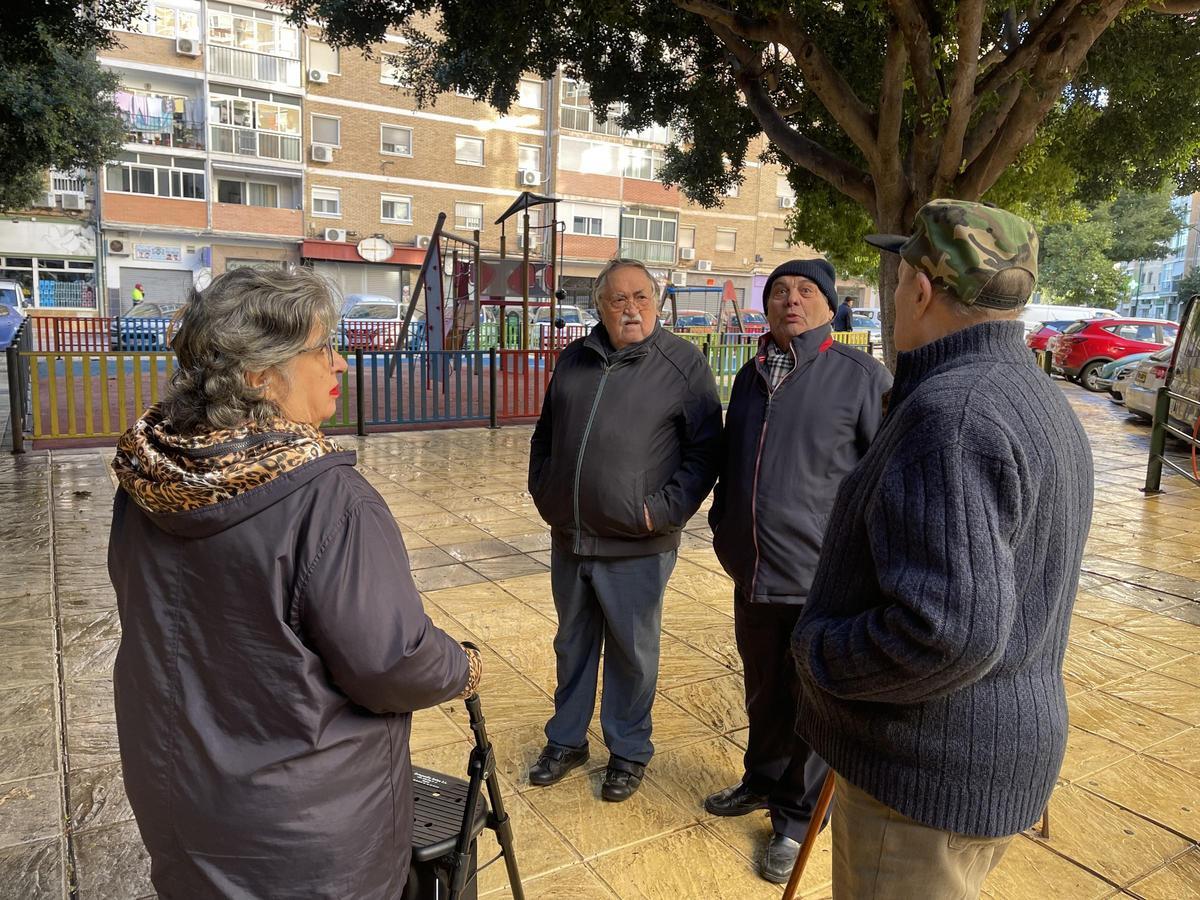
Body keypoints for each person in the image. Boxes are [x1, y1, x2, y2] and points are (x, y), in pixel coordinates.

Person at [108, 267, 481, 898]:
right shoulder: (328, 501)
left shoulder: (149, 479)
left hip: (180, 795)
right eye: (322, 348)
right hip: (304, 837)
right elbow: (390, 663)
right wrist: (461, 665)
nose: (340, 362)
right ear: (260, 375)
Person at [793, 200, 1093, 899]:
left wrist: (822, 655)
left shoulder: (951, 414)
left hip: (924, 780)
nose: (895, 295)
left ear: (922, 290)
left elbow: (949, 634)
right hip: (979, 758)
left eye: (899, 280)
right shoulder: (1033, 396)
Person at [704, 258, 892, 883]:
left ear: (830, 306)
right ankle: (760, 780)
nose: (790, 300)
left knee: (813, 703)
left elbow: (883, 481)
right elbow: (735, 460)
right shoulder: (752, 374)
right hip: (753, 570)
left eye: (805, 291)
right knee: (763, 690)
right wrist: (724, 526)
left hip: (820, 579)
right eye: (779, 290)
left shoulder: (861, 376)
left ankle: (795, 818)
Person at [527, 257, 722, 802]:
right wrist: (545, 490)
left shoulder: (682, 364)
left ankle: (628, 750)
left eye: (640, 297)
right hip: (571, 536)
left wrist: (660, 511)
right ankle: (566, 741)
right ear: (600, 307)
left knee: (633, 654)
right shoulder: (574, 359)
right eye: (618, 299)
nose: (630, 308)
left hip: (638, 542)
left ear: (656, 301)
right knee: (572, 644)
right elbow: (546, 433)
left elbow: (706, 452)